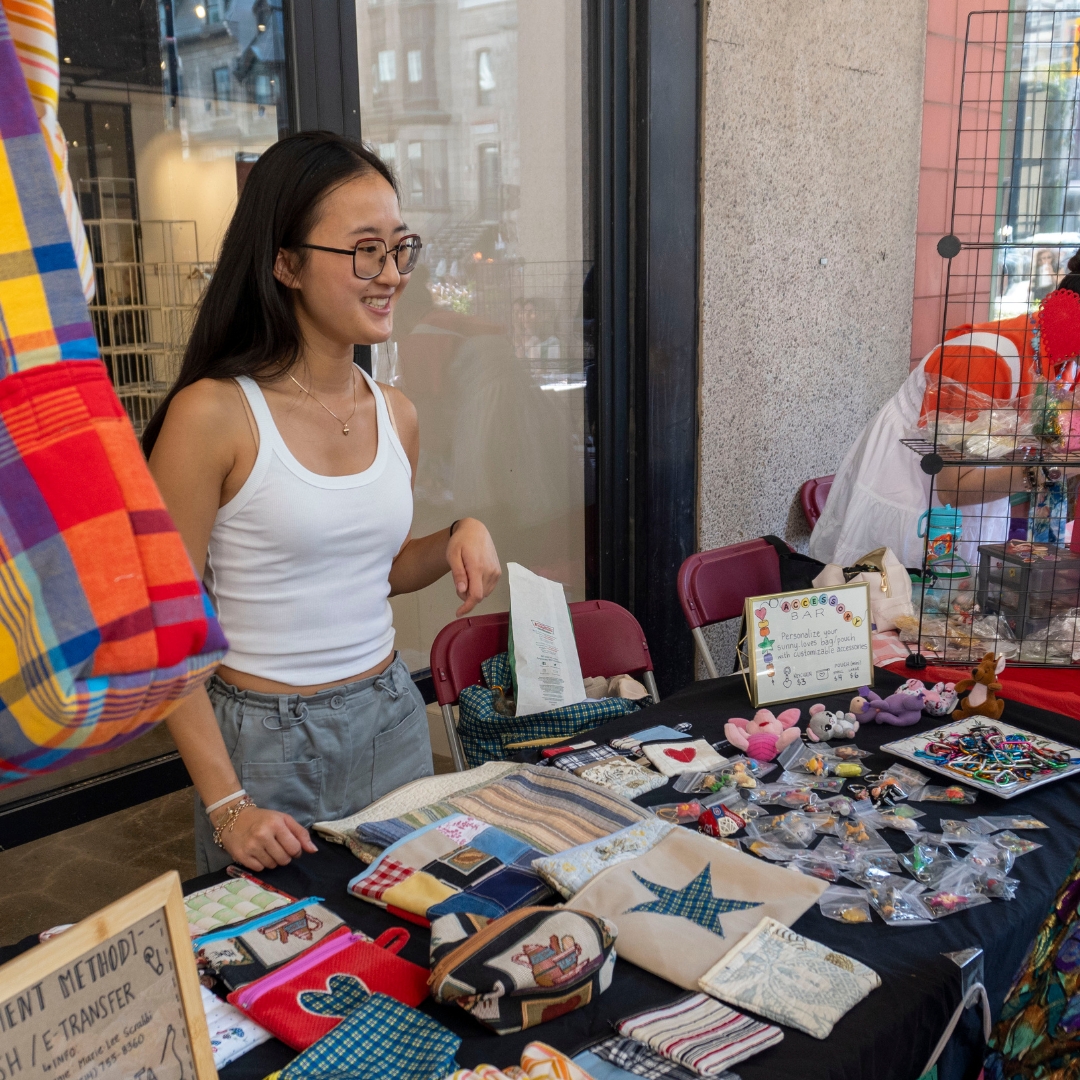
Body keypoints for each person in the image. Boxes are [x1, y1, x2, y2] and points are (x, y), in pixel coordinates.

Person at [143, 133, 502, 874]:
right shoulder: (212, 415)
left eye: (400, 248)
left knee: (407, 948)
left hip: (391, 716)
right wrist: (228, 805)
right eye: (365, 250)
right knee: (278, 970)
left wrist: (457, 535)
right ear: (286, 264)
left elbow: (376, 571)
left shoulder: (395, 412)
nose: (391, 274)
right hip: (267, 745)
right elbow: (163, 627)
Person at [810, 253, 1080, 570]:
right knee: (897, 599)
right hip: (915, 490)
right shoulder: (985, 357)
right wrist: (1054, 467)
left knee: (962, 601)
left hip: (984, 494)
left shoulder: (1065, 362)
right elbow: (953, 487)